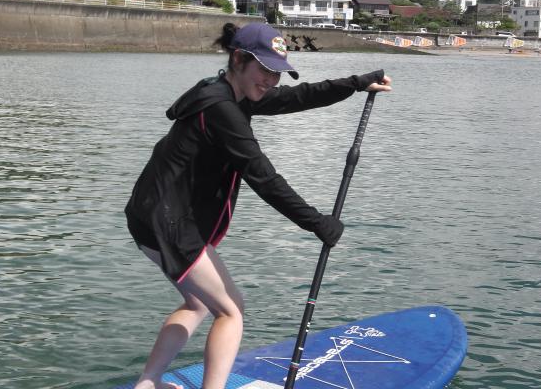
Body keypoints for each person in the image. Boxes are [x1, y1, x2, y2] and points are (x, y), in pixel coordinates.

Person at [124, 22, 392, 389]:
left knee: (198, 304)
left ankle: (148, 382)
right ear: (238, 59)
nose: (270, 80)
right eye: (264, 69)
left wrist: (356, 83)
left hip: (148, 215)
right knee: (231, 310)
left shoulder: (228, 93)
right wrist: (316, 222)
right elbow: (262, 176)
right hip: (169, 222)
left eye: (276, 72)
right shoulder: (221, 108)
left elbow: (299, 97)